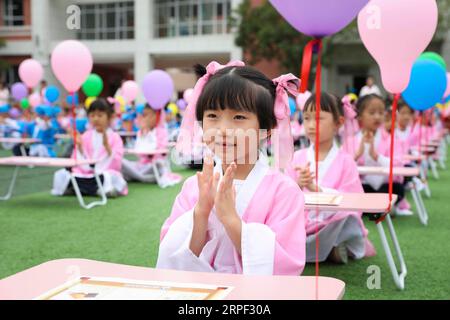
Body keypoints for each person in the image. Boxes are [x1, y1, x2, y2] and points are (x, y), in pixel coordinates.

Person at [156, 61, 306, 275]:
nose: (223, 130)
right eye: (212, 116)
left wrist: (230, 219)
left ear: (268, 128)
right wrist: (201, 212)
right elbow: (174, 256)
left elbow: (285, 264)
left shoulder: (285, 192)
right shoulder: (194, 187)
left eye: (239, 117)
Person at [287, 92, 375, 264]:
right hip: (304, 222)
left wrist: (317, 189)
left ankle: (329, 247)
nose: (311, 125)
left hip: (333, 220)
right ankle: (330, 249)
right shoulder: (297, 157)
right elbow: (285, 197)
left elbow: (354, 200)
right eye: (306, 118)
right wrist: (298, 184)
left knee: (347, 220)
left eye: (319, 119)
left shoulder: (346, 161)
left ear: (338, 123)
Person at [342, 94, 411, 216]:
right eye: (372, 112)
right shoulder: (351, 141)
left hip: (385, 185)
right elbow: (342, 168)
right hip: (363, 186)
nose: (377, 117)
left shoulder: (391, 139)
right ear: (360, 116)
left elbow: (399, 165)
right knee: (355, 191)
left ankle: (375, 208)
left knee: (397, 189)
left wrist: (376, 156)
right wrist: (357, 155)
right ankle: (377, 209)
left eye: (381, 112)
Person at [51, 99, 128, 197]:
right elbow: (78, 160)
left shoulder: (114, 137)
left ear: (108, 117)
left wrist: (107, 147)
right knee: (61, 174)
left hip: (104, 173)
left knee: (108, 177)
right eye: (92, 115)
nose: (96, 119)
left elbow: (117, 163)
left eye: (100, 115)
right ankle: (90, 188)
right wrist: (79, 146)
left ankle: (83, 188)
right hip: (85, 173)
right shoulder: (86, 135)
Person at [121, 104, 182, 188]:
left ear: (156, 116)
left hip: (154, 166)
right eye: (143, 115)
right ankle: (140, 177)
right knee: (122, 162)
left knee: (158, 165)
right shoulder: (141, 132)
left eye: (147, 115)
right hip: (142, 166)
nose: (144, 118)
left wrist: (150, 153)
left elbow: (161, 152)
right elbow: (138, 152)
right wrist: (143, 134)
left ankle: (138, 177)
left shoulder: (161, 132)